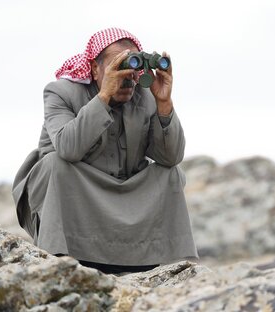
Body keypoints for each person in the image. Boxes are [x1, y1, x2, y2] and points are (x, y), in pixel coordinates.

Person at [12, 28, 198, 275]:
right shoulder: (60, 93)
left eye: (131, 67)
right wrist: (104, 97)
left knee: (170, 174)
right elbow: (68, 149)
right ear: (95, 69)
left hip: (124, 193)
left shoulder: (146, 97)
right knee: (56, 163)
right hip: (77, 190)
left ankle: (159, 261)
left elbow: (171, 157)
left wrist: (164, 104)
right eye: (117, 67)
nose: (127, 78)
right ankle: (61, 257)